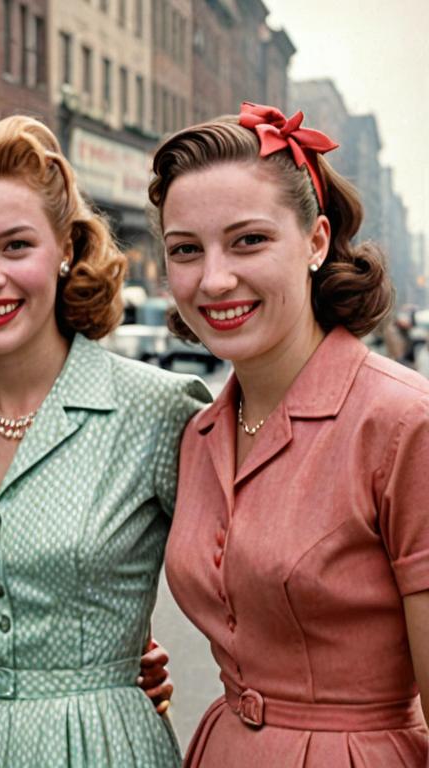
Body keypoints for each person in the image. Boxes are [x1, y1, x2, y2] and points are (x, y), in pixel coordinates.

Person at [0, 115, 210, 766]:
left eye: (15, 246)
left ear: (65, 249)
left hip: (105, 744)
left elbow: (257, 589)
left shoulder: (156, 409)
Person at [152, 103, 429, 766]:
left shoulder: (403, 423)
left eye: (248, 240)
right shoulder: (198, 433)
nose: (214, 279)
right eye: (186, 249)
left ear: (316, 241)